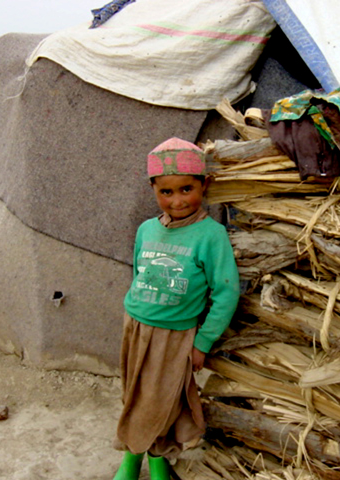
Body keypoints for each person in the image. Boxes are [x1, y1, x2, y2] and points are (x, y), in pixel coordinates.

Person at [112, 138, 241, 480]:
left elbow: (226, 294)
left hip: (174, 336)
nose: (177, 200)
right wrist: (134, 316)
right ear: (153, 189)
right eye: (166, 192)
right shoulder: (146, 229)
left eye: (186, 189)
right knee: (134, 394)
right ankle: (137, 460)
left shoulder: (210, 236)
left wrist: (202, 342)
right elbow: (139, 273)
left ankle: (148, 461)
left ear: (204, 184)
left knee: (161, 402)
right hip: (136, 327)